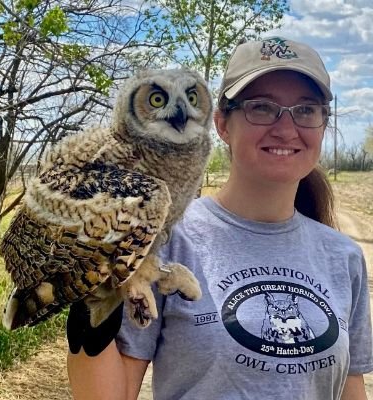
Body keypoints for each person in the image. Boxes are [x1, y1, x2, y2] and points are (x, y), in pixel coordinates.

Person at [67, 37, 373, 400]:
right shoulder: (165, 241)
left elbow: (349, 391)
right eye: (262, 107)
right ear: (222, 124)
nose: (287, 129)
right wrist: (85, 281)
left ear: (323, 123)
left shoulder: (343, 257)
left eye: (306, 110)